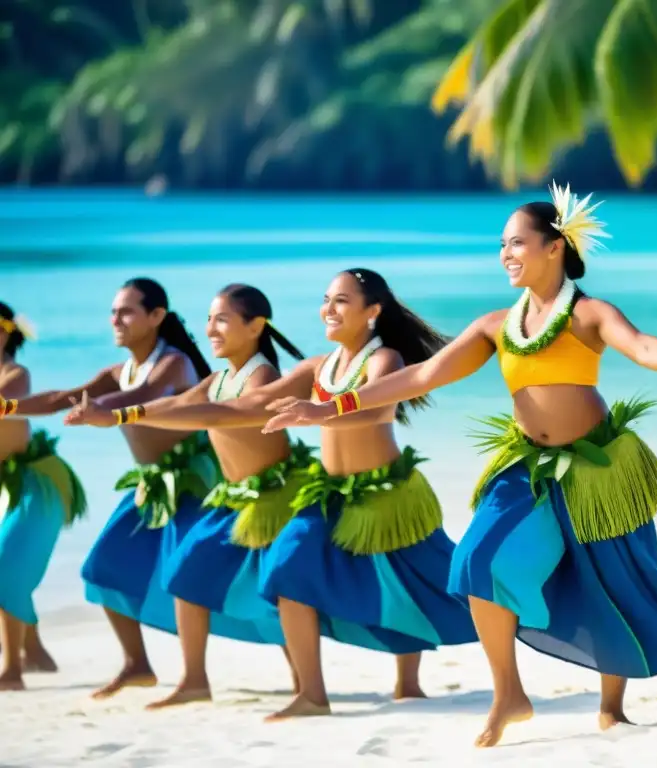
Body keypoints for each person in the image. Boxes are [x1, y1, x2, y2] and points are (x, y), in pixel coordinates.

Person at [263, 183, 657, 747]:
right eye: (501, 244)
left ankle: (611, 708)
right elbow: (422, 377)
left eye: (516, 242)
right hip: (525, 465)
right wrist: (329, 407)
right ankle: (509, 694)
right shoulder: (496, 325)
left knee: (606, 576)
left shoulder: (590, 314)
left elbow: (642, 346)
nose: (505, 253)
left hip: (598, 464)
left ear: (555, 247)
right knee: (476, 559)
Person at [89, 269, 478, 721]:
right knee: (287, 570)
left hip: (386, 493)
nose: (328, 309)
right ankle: (312, 694)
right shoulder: (316, 367)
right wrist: (124, 414)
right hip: (329, 493)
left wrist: (318, 414)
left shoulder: (383, 359)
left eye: (342, 301)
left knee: (408, 577)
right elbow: (248, 405)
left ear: (372, 312)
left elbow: (377, 410)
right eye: (326, 299)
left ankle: (410, 680)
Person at [65, 284, 308, 709]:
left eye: (222, 320)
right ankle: (195, 680)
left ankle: (309, 685)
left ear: (255, 326)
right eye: (209, 319)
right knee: (185, 575)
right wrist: (117, 416)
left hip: (273, 499)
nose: (210, 329)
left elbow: (223, 413)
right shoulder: (218, 378)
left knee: (278, 593)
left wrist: (121, 413)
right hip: (232, 498)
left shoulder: (263, 375)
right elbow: (174, 405)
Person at [2, 278, 218, 698]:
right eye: (113, 312)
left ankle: (198, 679)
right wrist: (8, 406)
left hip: (193, 483)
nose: (115, 319)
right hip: (151, 486)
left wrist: (100, 408)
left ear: (157, 317)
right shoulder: (118, 372)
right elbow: (60, 398)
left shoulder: (173, 363)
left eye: (127, 311)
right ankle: (137, 665)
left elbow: (147, 396)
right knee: (102, 568)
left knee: (197, 576)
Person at [0, 305, 86, 690]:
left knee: (6, 570)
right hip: (5, 489)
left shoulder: (16, 375)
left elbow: (7, 402)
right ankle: (34, 652)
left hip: (37, 484)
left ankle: (13, 670)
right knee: (9, 568)